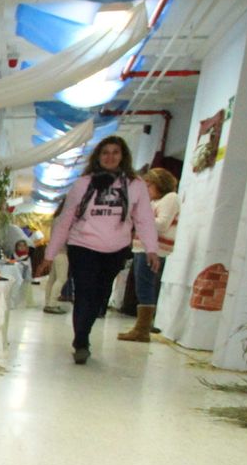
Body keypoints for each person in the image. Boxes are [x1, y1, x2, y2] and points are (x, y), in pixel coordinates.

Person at [44, 136, 159, 363]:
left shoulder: (135, 185)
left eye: (115, 152)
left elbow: (144, 218)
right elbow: (65, 219)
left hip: (116, 249)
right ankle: (81, 341)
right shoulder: (83, 184)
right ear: (98, 156)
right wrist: (49, 254)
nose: (110, 157)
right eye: (105, 152)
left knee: (99, 297)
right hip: (83, 245)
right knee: (85, 293)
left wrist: (151, 249)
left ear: (123, 156)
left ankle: (83, 333)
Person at [118, 167, 179, 341]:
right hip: (142, 248)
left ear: (159, 184)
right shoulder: (154, 202)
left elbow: (161, 224)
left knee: (145, 287)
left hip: (152, 250)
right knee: (142, 287)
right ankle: (142, 326)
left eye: (149, 186)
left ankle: (142, 329)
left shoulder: (170, 198)